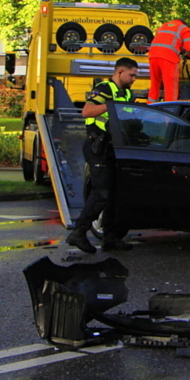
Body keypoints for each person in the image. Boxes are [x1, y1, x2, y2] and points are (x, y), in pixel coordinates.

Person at [65, 57, 139, 253]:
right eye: (132, 75)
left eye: (135, 76)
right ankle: (78, 233)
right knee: (101, 193)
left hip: (114, 148)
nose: (134, 79)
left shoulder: (126, 93)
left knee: (114, 194)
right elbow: (87, 111)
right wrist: (113, 107)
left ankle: (111, 238)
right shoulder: (106, 89)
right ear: (120, 72)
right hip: (98, 147)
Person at [148, 18, 190, 102]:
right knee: (170, 88)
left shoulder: (163, 26)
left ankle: (150, 107)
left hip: (153, 55)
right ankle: (170, 110)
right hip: (168, 58)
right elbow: (189, 48)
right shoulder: (184, 29)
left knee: (155, 85)